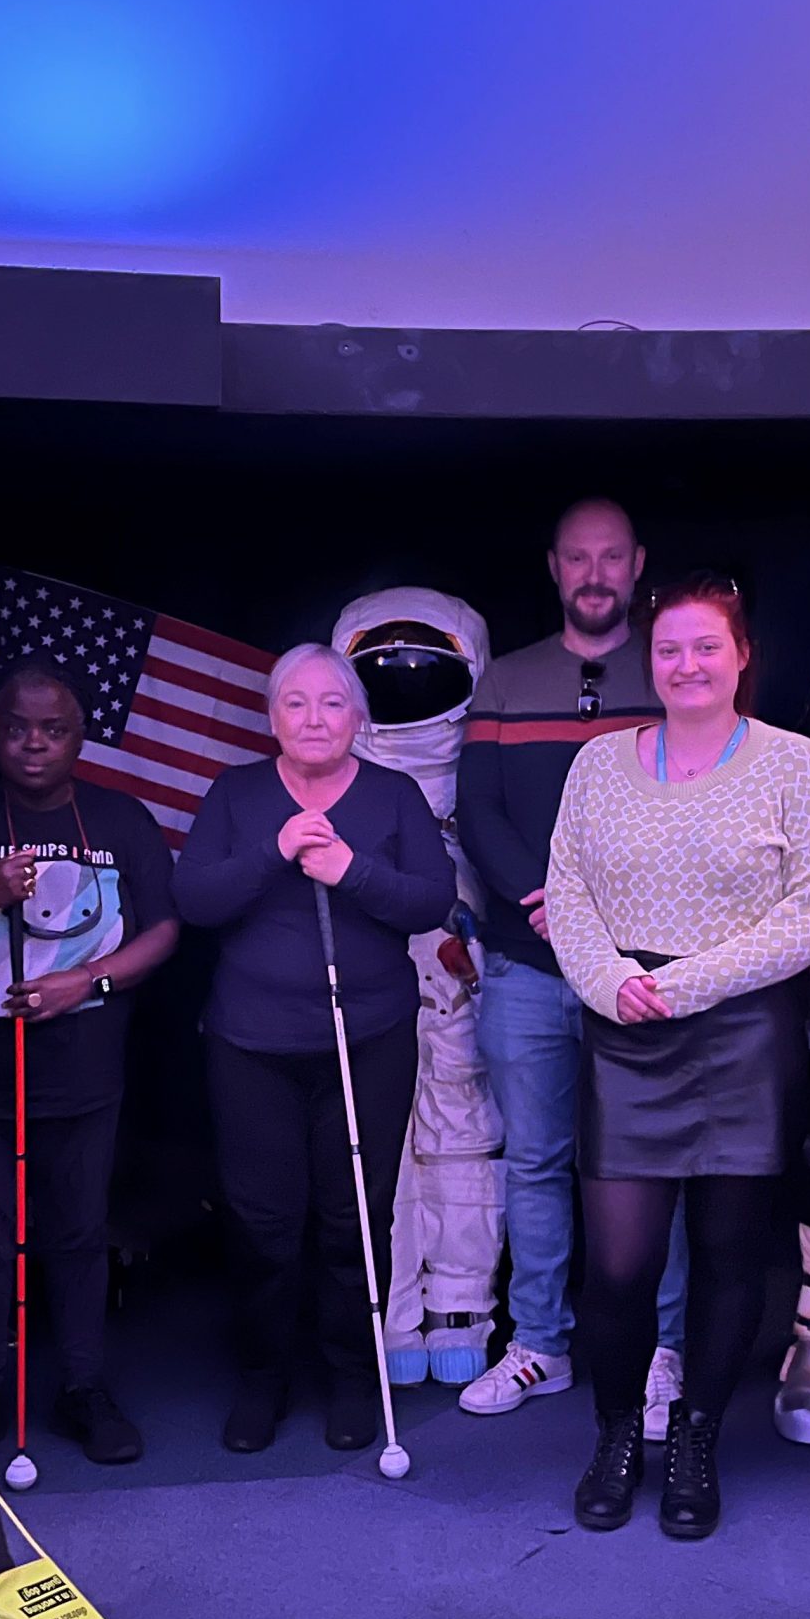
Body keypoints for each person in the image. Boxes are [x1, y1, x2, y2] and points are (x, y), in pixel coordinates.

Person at [544, 570, 810, 1540]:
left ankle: (697, 1437)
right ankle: (618, 1432)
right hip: (624, 1027)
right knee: (621, 1269)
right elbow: (568, 891)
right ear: (650, 657)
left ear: (742, 655)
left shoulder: (794, 762)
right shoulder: (598, 764)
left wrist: (687, 983)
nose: (686, 664)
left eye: (705, 647)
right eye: (669, 648)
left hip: (739, 1033)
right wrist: (607, 983)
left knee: (726, 1261)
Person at [173, 643, 456, 1455]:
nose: (314, 719)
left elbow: (431, 900)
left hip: (365, 1040)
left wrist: (348, 869)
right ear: (272, 718)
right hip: (252, 1044)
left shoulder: (393, 796)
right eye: (295, 704)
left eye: (332, 704)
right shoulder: (237, 794)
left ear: (357, 718)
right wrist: (274, 852)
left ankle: (350, 1377)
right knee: (262, 1221)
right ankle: (263, 1376)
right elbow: (195, 898)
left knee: (354, 1218)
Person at [455, 498, 692, 1440]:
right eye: (576, 559)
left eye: (611, 558)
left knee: (649, 1162)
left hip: (643, 973)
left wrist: (610, 930)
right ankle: (541, 1343)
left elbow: (691, 812)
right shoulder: (507, 682)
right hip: (527, 966)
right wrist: (558, 917)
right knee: (539, 1163)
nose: (594, 574)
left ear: (637, 565)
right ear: (554, 568)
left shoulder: (674, 670)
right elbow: (481, 820)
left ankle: (661, 1349)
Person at [0, 662, 176, 1464]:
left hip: (85, 1070)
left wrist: (88, 979)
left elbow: (165, 931)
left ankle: (82, 1386)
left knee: (77, 1234)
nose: (34, 744)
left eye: (55, 729)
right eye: (17, 727)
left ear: (80, 736)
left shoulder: (119, 817)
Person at [330, 589, 503, 1390]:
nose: (403, 680)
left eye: (423, 668)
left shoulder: (484, 762)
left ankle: (463, 1305)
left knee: (463, 1142)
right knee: (381, 1148)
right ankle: (393, 1314)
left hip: (458, 985)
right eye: (384, 669)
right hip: (371, 986)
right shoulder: (340, 779)